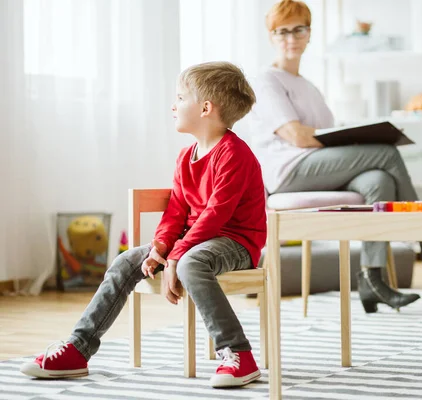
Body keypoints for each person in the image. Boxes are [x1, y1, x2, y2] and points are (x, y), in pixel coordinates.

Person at [20, 62, 266, 388]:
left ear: (206, 108)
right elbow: (177, 211)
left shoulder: (234, 154)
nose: (173, 105)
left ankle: (238, 354)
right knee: (125, 261)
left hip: (234, 242)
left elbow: (216, 215)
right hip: (192, 241)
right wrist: (160, 247)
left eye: (180, 97)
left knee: (192, 262)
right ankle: (78, 349)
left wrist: (176, 256)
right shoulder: (185, 157)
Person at [246, 0, 422, 314]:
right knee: (385, 152)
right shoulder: (266, 80)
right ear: (271, 36)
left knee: (379, 180)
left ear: (309, 33)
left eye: (299, 29)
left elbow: (325, 134)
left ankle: (372, 279)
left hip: (316, 166)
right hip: (288, 171)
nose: (291, 38)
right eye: (283, 31)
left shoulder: (308, 85)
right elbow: (298, 137)